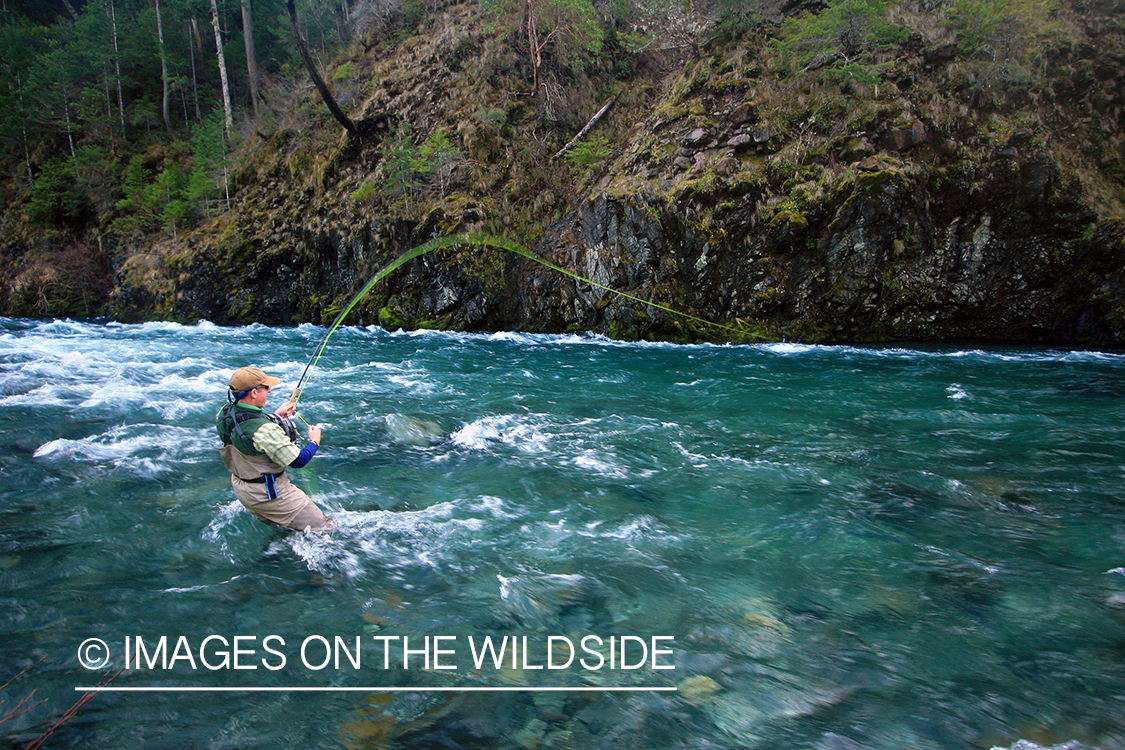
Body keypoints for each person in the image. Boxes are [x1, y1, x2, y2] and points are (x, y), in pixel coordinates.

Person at [216, 366, 332, 532]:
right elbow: (298, 460)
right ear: (254, 393)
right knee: (325, 529)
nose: (269, 390)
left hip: (244, 490)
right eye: (265, 387)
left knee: (287, 532)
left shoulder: (225, 412)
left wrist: (276, 416)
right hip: (271, 495)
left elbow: (247, 431)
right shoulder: (264, 430)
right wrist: (314, 442)